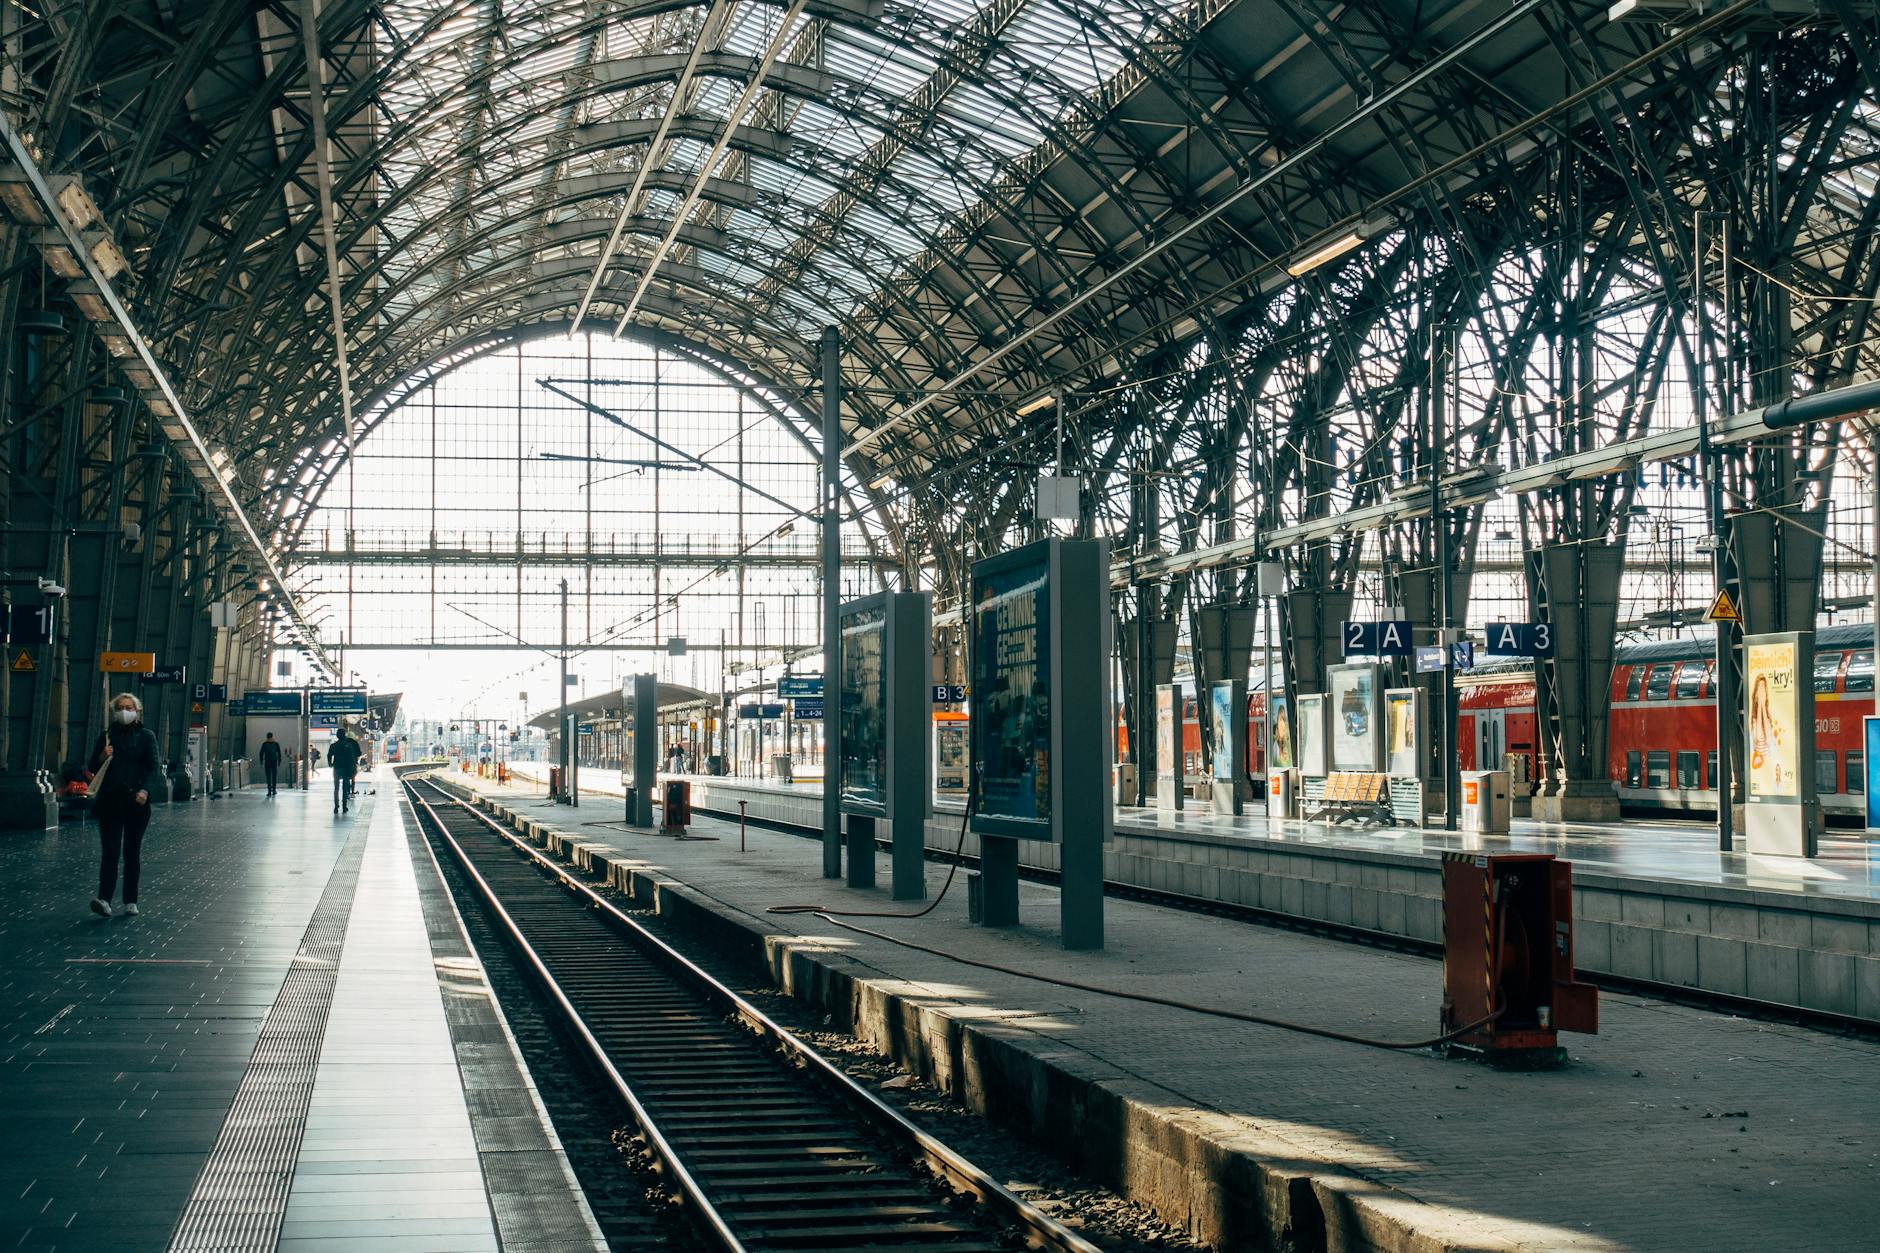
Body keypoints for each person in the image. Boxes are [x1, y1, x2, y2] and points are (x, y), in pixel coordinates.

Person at [87, 692, 165, 918]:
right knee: (110, 851)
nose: (124, 711)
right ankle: (104, 899)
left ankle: (131, 900)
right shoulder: (106, 736)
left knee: (132, 852)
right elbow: (92, 767)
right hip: (110, 801)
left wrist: (145, 790)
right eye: (120, 707)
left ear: (137, 711)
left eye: (129, 707)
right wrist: (102, 756)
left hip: (136, 802)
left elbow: (153, 767)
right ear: (114, 711)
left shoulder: (146, 736)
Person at [328, 725, 363, 813]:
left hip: (337, 768)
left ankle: (336, 807)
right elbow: (351, 758)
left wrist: (330, 764)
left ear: (337, 736)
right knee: (345, 788)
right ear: (344, 735)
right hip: (346, 768)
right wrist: (353, 768)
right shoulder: (348, 745)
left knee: (336, 788)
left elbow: (329, 755)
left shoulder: (333, 745)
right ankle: (344, 807)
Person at [258, 732, 283, 797]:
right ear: (272, 736)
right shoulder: (276, 744)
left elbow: (261, 753)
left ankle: (269, 791)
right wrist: (279, 761)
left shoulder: (264, 744)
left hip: (267, 762)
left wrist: (261, 762)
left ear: (267, 737)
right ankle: (274, 790)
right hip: (274, 762)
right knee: (274, 777)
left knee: (268, 777)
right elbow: (279, 753)